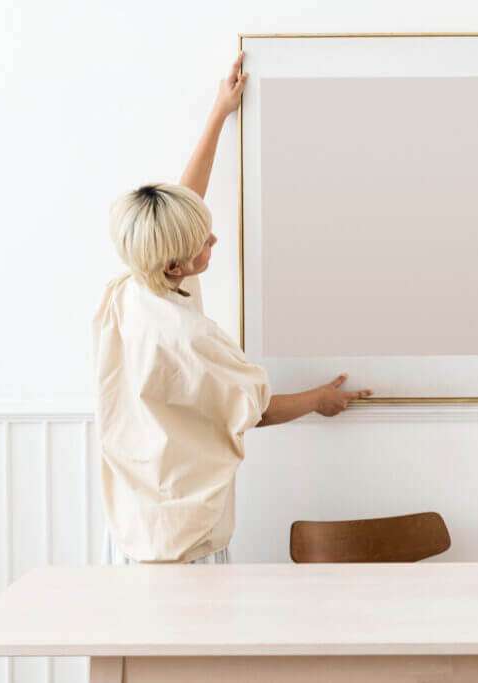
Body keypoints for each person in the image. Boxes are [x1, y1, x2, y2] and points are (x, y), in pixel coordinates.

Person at [92, 53, 372, 564]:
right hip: (181, 541)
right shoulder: (185, 337)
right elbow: (256, 409)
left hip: (136, 523)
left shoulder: (135, 290)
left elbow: (185, 201)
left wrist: (219, 113)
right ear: (175, 264)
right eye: (203, 243)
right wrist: (318, 400)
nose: (215, 239)